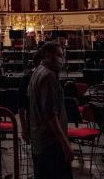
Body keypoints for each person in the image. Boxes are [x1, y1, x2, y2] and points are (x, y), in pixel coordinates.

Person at [27, 41, 74, 179]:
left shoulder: (37, 72)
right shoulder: (48, 76)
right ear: (48, 56)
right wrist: (65, 144)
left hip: (39, 139)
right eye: (59, 55)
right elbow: (50, 115)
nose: (62, 60)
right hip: (51, 142)